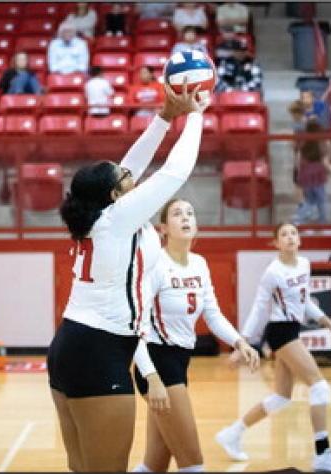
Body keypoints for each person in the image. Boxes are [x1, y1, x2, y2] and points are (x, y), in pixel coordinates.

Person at [47, 81, 209, 472]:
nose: (129, 173)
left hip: (73, 343)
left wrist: (164, 118)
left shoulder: (101, 214)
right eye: (122, 177)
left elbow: (130, 165)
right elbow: (176, 171)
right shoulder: (118, 219)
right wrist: (197, 115)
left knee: (83, 467)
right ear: (115, 195)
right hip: (98, 350)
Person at [131, 199, 260, 473]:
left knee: (153, 466)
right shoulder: (154, 265)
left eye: (190, 212)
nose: (186, 217)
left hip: (180, 362)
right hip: (157, 364)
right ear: (163, 228)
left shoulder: (199, 264)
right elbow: (136, 326)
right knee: (193, 463)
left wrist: (239, 341)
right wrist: (151, 377)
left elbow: (212, 314)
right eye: (177, 214)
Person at [216, 223, 331, 472]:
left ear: (299, 240)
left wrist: (329, 323)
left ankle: (232, 434)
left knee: (280, 398)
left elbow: (306, 301)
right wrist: (242, 343)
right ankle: (323, 454)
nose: (290, 237)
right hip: (280, 332)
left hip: (292, 330)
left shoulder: (304, 265)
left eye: (293, 233)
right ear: (275, 243)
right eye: (284, 235)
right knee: (319, 387)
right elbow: (258, 309)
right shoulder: (273, 273)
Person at [293, 121, 331, 225]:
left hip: (305, 176)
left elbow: (298, 160)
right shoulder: (321, 144)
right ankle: (323, 222)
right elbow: (325, 163)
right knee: (322, 200)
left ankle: (299, 218)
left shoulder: (302, 143)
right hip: (318, 176)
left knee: (309, 200)